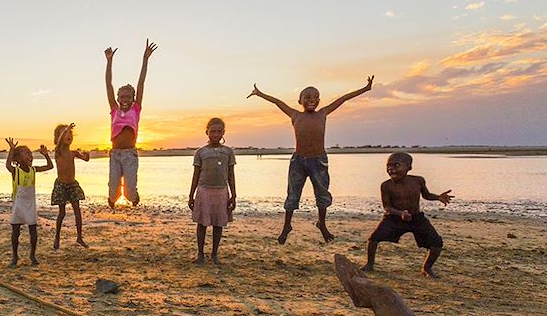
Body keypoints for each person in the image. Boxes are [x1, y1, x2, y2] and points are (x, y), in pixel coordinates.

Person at [248, 76, 374, 244]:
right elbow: (278, 102)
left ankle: (321, 224)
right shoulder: (295, 115)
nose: (312, 100)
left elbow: (343, 99)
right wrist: (260, 93)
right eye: (307, 97)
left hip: (318, 161)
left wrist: (365, 89)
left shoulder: (323, 113)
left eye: (315, 97)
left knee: (322, 195)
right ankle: (287, 226)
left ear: (319, 100)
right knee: (292, 196)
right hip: (298, 162)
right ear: (300, 100)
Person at [361, 152, 453, 278]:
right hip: (394, 218)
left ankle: (427, 268)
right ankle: (369, 264)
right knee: (373, 239)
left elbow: (426, 195)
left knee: (436, 243)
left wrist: (438, 197)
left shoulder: (418, 181)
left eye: (396, 165)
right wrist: (400, 213)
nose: (391, 169)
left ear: (409, 167)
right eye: (388, 166)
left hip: (416, 218)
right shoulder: (386, 185)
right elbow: (387, 207)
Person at [104, 39, 158, 207]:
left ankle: (135, 196)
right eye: (122, 97)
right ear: (118, 99)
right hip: (114, 155)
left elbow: (141, 83)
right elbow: (108, 84)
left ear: (133, 99)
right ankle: (113, 196)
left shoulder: (136, 109)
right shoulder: (114, 109)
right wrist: (109, 61)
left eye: (128, 96)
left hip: (129, 156)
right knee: (113, 195)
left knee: (129, 195)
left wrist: (145, 59)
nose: (125, 99)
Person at [188, 117, 236, 265]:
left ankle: (214, 254)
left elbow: (230, 174)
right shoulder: (200, 152)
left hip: (221, 191)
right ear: (207, 132)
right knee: (202, 224)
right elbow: (196, 174)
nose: (216, 135)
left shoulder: (228, 152)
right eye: (213, 131)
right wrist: (191, 195)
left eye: (219, 132)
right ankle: (200, 254)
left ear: (223, 133)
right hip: (204, 191)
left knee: (218, 224)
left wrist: (234, 195)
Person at [5, 138, 53, 266]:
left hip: (30, 204)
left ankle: (32, 255)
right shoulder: (16, 171)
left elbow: (50, 166)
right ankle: (15, 256)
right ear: (18, 159)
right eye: (27, 154)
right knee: (16, 230)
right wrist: (11, 150)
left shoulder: (33, 170)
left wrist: (46, 154)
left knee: (33, 229)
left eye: (31, 154)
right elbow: (8, 165)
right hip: (19, 205)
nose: (30, 156)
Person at [51, 123, 90, 249]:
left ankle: (79, 237)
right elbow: (57, 145)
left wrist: (87, 155)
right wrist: (66, 129)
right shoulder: (58, 152)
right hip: (61, 185)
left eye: (70, 134)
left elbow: (86, 159)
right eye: (66, 133)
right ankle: (57, 237)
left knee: (77, 211)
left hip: (72, 184)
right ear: (59, 137)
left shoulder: (73, 153)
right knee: (61, 212)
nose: (69, 135)